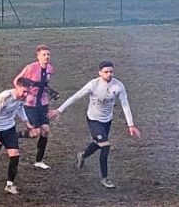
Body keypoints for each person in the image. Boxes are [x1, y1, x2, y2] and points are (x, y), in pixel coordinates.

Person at [50, 60, 141, 188]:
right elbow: (76, 96)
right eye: (106, 72)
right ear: (100, 73)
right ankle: (104, 178)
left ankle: (83, 155)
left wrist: (131, 125)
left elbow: (125, 104)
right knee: (105, 145)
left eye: (111, 72)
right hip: (93, 119)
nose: (109, 74)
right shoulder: (93, 84)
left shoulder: (118, 86)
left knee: (98, 143)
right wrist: (59, 110)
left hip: (107, 120)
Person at [14, 44, 57, 170]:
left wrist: (50, 91)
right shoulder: (30, 68)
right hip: (30, 104)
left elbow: (44, 84)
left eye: (48, 54)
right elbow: (17, 81)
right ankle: (13, 136)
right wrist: (24, 94)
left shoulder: (50, 69)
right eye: (44, 54)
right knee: (35, 132)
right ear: (38, 56)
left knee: (45, 130)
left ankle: (39, 160)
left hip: (43, 103)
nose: (47, 57)